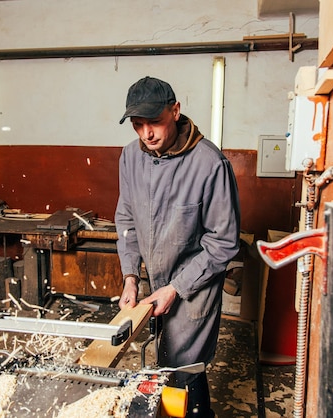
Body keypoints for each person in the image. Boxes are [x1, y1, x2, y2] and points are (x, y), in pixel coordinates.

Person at [115, 76, 241, 417]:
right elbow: (126, 218)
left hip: (193, 286)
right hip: (153, 283)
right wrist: (130, 276)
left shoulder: (209, 164)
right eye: (138, 125)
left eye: (153, 122)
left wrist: (176, 287)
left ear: (175, 111)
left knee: (184, 368)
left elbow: (224, 242)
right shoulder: (130, 157)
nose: (146, 134)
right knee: (162, 364)